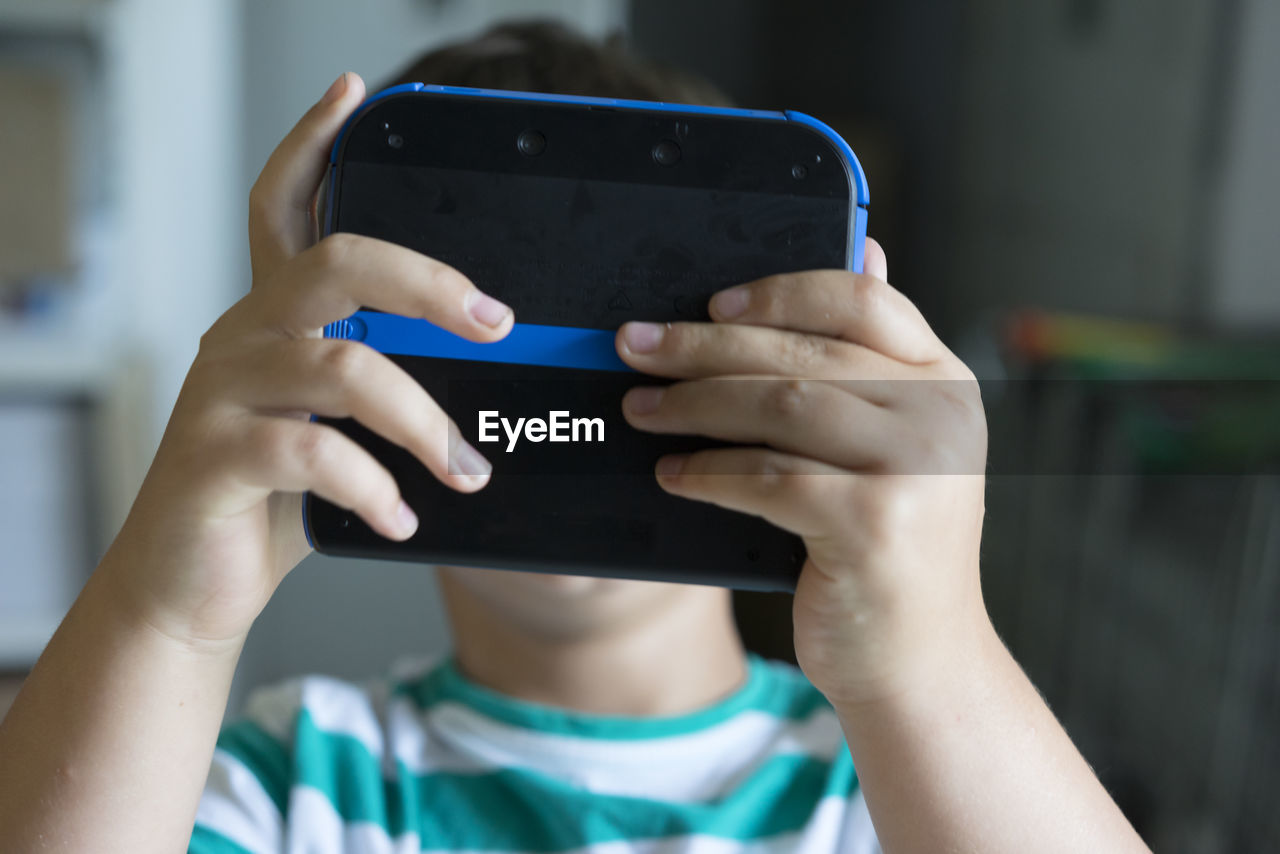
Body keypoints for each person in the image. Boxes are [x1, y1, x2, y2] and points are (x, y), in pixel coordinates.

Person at [0, 20, 1150, 854]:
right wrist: (165, 618)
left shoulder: (899, 780)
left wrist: (929, 651)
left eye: (637, 320)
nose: (569, 389)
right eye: (488, 320)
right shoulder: (291, 776)